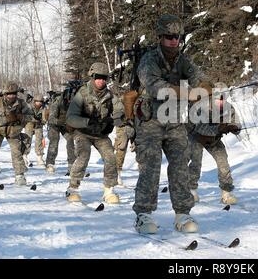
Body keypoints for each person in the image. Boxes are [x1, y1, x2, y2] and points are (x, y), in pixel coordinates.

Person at [132, 14, 210, 234]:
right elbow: (156, 86)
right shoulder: (149, 60)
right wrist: (188, 93)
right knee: (150, 166)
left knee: (180, 165)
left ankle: (183, 213)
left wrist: (205, 88)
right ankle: (143, 214)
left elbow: (200, 78)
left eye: (177, 36)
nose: (174, 41)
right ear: (160, 37)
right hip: (150, 121)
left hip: (175, 120)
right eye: (169, 36)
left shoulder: (182, 60)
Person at [65, 62, 123, 204]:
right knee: (83, 156)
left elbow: (120, 110)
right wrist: (87, 122)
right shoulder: (82, 94)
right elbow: (70, 118)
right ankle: (72, 188)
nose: (101, 80)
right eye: (98, 77)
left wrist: (111, 121)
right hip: (83, 132)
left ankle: (109, 190)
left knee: (110, 157)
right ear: (92, 77)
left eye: (104, 78)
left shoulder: (110, 95)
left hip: (100, 134)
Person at [188, 94, 241, 205]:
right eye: (217, 99)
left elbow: (236, 123)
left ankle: (226, 193)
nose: (220, 102)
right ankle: (191, 191)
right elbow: (199, 127)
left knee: (223, 161)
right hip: (196, 136)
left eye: (222, 99)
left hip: (214, 139)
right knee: (196, 162)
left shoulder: (228, 108)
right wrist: (218, 128)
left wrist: (233, 127)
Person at [0, 82, 33, 185]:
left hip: (13, 131)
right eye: (9, 93)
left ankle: (20, 175)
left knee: (17, 152)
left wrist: (21, 117)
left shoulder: (21, 103)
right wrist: (7, 119)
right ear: (5, 94)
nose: (11, 96)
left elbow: (31, 116)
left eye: (14, 93)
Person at [46, 87, 77, 174]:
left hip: (65, 125)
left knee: (70, 139)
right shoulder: (57, 101)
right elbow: (51, 119)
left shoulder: (75, 104)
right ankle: (50, 163)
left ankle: (72, 164)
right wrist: (64, 122)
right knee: (54, 141)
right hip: (54, 125)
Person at [22, 94, 46, 167]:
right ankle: (24, 156)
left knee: (39, 139)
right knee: (27, 139)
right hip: (29, 123)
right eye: (37, 102)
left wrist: (42, 121)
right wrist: (34, 119)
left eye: (41, 102)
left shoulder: (43, 108)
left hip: (39, 124)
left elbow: (45, 118)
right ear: (34, 101)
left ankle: (39, 157)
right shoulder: (29, 106)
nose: (39, 103)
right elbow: (26, 115)